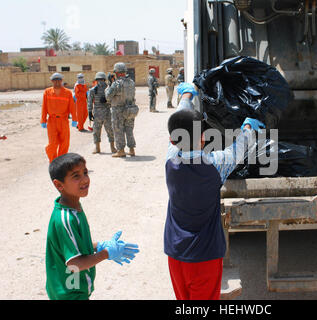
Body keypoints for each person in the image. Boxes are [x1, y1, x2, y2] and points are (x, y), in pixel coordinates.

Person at [164, 83, 265, 300]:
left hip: (175, 254)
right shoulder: (215, 165)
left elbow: (179, 120)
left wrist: (187, 96)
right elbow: (238, 150)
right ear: (203, 137)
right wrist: (248, 128)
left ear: (173, 139)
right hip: (204, 256)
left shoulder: (170, 157)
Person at [45, 153, 140, 300]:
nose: (84, 179)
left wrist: (98, 246)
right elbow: (74, 264)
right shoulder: (66, 219)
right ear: (59, 185)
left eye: (85, 172)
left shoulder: (73, 207)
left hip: (75, 290)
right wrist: (106, 253)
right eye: (76, 176)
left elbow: (73, 245)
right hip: (70, 293)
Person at [41, 73, 78, 163]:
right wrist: (43, 120)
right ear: (52, 81)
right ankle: (53, 161)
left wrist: (74, 119)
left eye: (59, 80)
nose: (57, 82)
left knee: (64, 143)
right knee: (52, 144)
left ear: (61, 81)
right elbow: (44, 107)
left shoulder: (67, 92)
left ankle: (61, 162)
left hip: (63, 120)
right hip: (52, 121)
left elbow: (72, 107)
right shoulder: (47, 92)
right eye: (55, 80)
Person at [106, 62, 137, 158]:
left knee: (118, 130)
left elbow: (108, 96)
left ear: (117, 73)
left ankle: (121, 150)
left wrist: (109, 85)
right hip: (130, 109)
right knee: (129, 129)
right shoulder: (131, 82)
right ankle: (131, 149)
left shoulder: (116, 84)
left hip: (118, 111)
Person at [88, 72, 117, 154]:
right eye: (99, 80)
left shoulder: (108, 89)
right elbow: (89, 102)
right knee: (101, 131)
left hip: (103, 112)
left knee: (105, 130)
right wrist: (90, 112)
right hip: (102, 113)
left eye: (101, 80)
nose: (101, 82)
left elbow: (90, 102)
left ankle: (109, 147)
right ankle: (101, 148)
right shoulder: (95, 90)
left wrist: (90, 112)